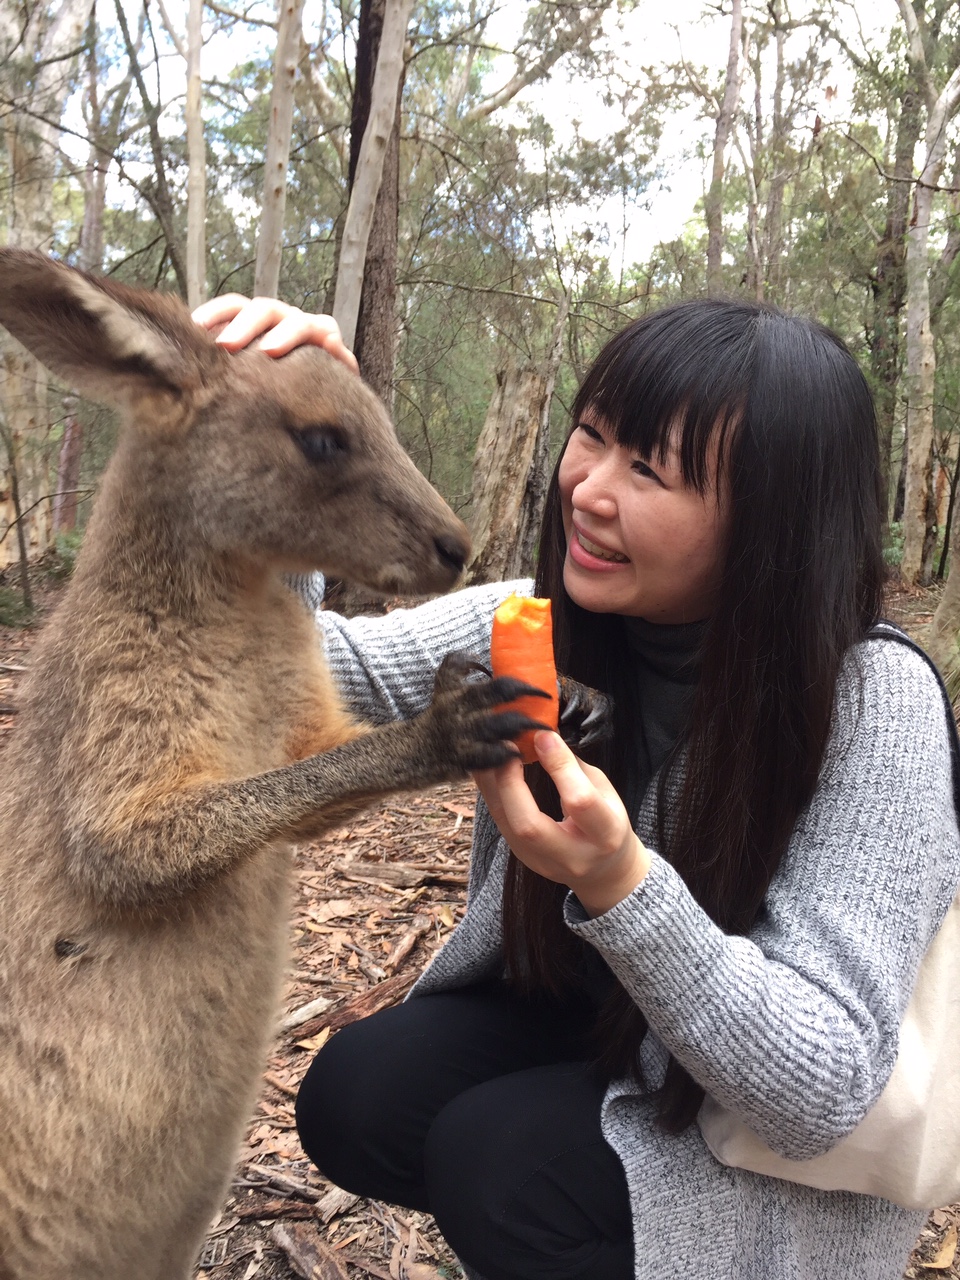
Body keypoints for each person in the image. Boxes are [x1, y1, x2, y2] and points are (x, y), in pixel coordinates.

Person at [194, 293, 960, 1280]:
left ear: (774, 518)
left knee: (501, 1165)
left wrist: (622, 882)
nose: (589, 489)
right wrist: (302, 438)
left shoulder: (867, 700)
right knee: (358, 1093)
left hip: (769, 1135)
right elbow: (299, 675)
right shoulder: (539, 626)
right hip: (609, 1030)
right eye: (591, 437)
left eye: (651, 470)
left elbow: (821, 1088)